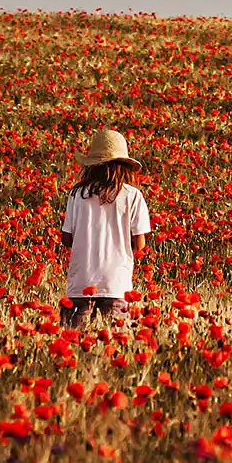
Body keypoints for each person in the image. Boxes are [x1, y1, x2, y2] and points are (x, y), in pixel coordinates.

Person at [60, 129, 151, 328]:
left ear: (92, 165)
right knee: (116, 342)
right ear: (124, 166)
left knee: (73, 341)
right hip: (116, 282)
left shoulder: (77, 194)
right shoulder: (133, 196)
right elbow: (140, 244)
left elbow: (67, 238)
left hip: (81, 282)